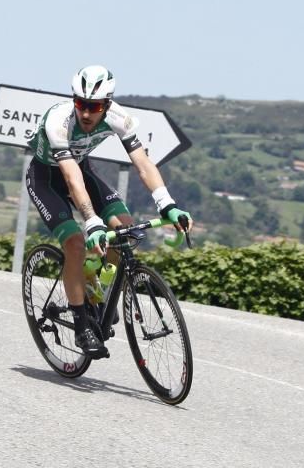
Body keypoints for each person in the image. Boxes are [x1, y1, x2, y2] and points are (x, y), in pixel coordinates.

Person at [25, 65, 193, 358]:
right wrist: (91, 221)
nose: (87, 113)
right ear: (74, 100)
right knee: (76, 244)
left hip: (83, 171)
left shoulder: (120, 119)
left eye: (95, 106)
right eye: (81, 104)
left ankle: (97, 295)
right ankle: (81, 326)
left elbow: (143, 164)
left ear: (107, 104)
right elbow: (69, 176)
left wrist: (168, 204)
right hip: (47, 179)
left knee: (125, 230)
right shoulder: (58, 121)